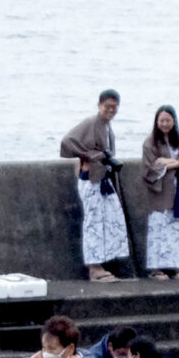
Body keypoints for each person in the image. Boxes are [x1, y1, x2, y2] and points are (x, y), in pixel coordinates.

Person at [60, 90, 132, 281]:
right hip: (90, 180)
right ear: (99, 105)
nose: (111, 110)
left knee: (111, 219)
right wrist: (90, 156)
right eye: (107, 106)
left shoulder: (107, 127)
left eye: (114, 107)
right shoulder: (92, 122)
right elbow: (67, 142)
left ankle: (101, 263)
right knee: (93, 223)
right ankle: (94, 268)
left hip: (102, 180)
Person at [140, 106, 179, 279]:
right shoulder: (150, 142)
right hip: (160, 193)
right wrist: (177, 162)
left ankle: (178, 268)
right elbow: (151, 168)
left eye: (168, 120)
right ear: (157, 122)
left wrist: (168, 162)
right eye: (161, 120)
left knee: (178, 230)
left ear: (174, 121)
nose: (165, 124)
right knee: (160, 229)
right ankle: (157, 269)